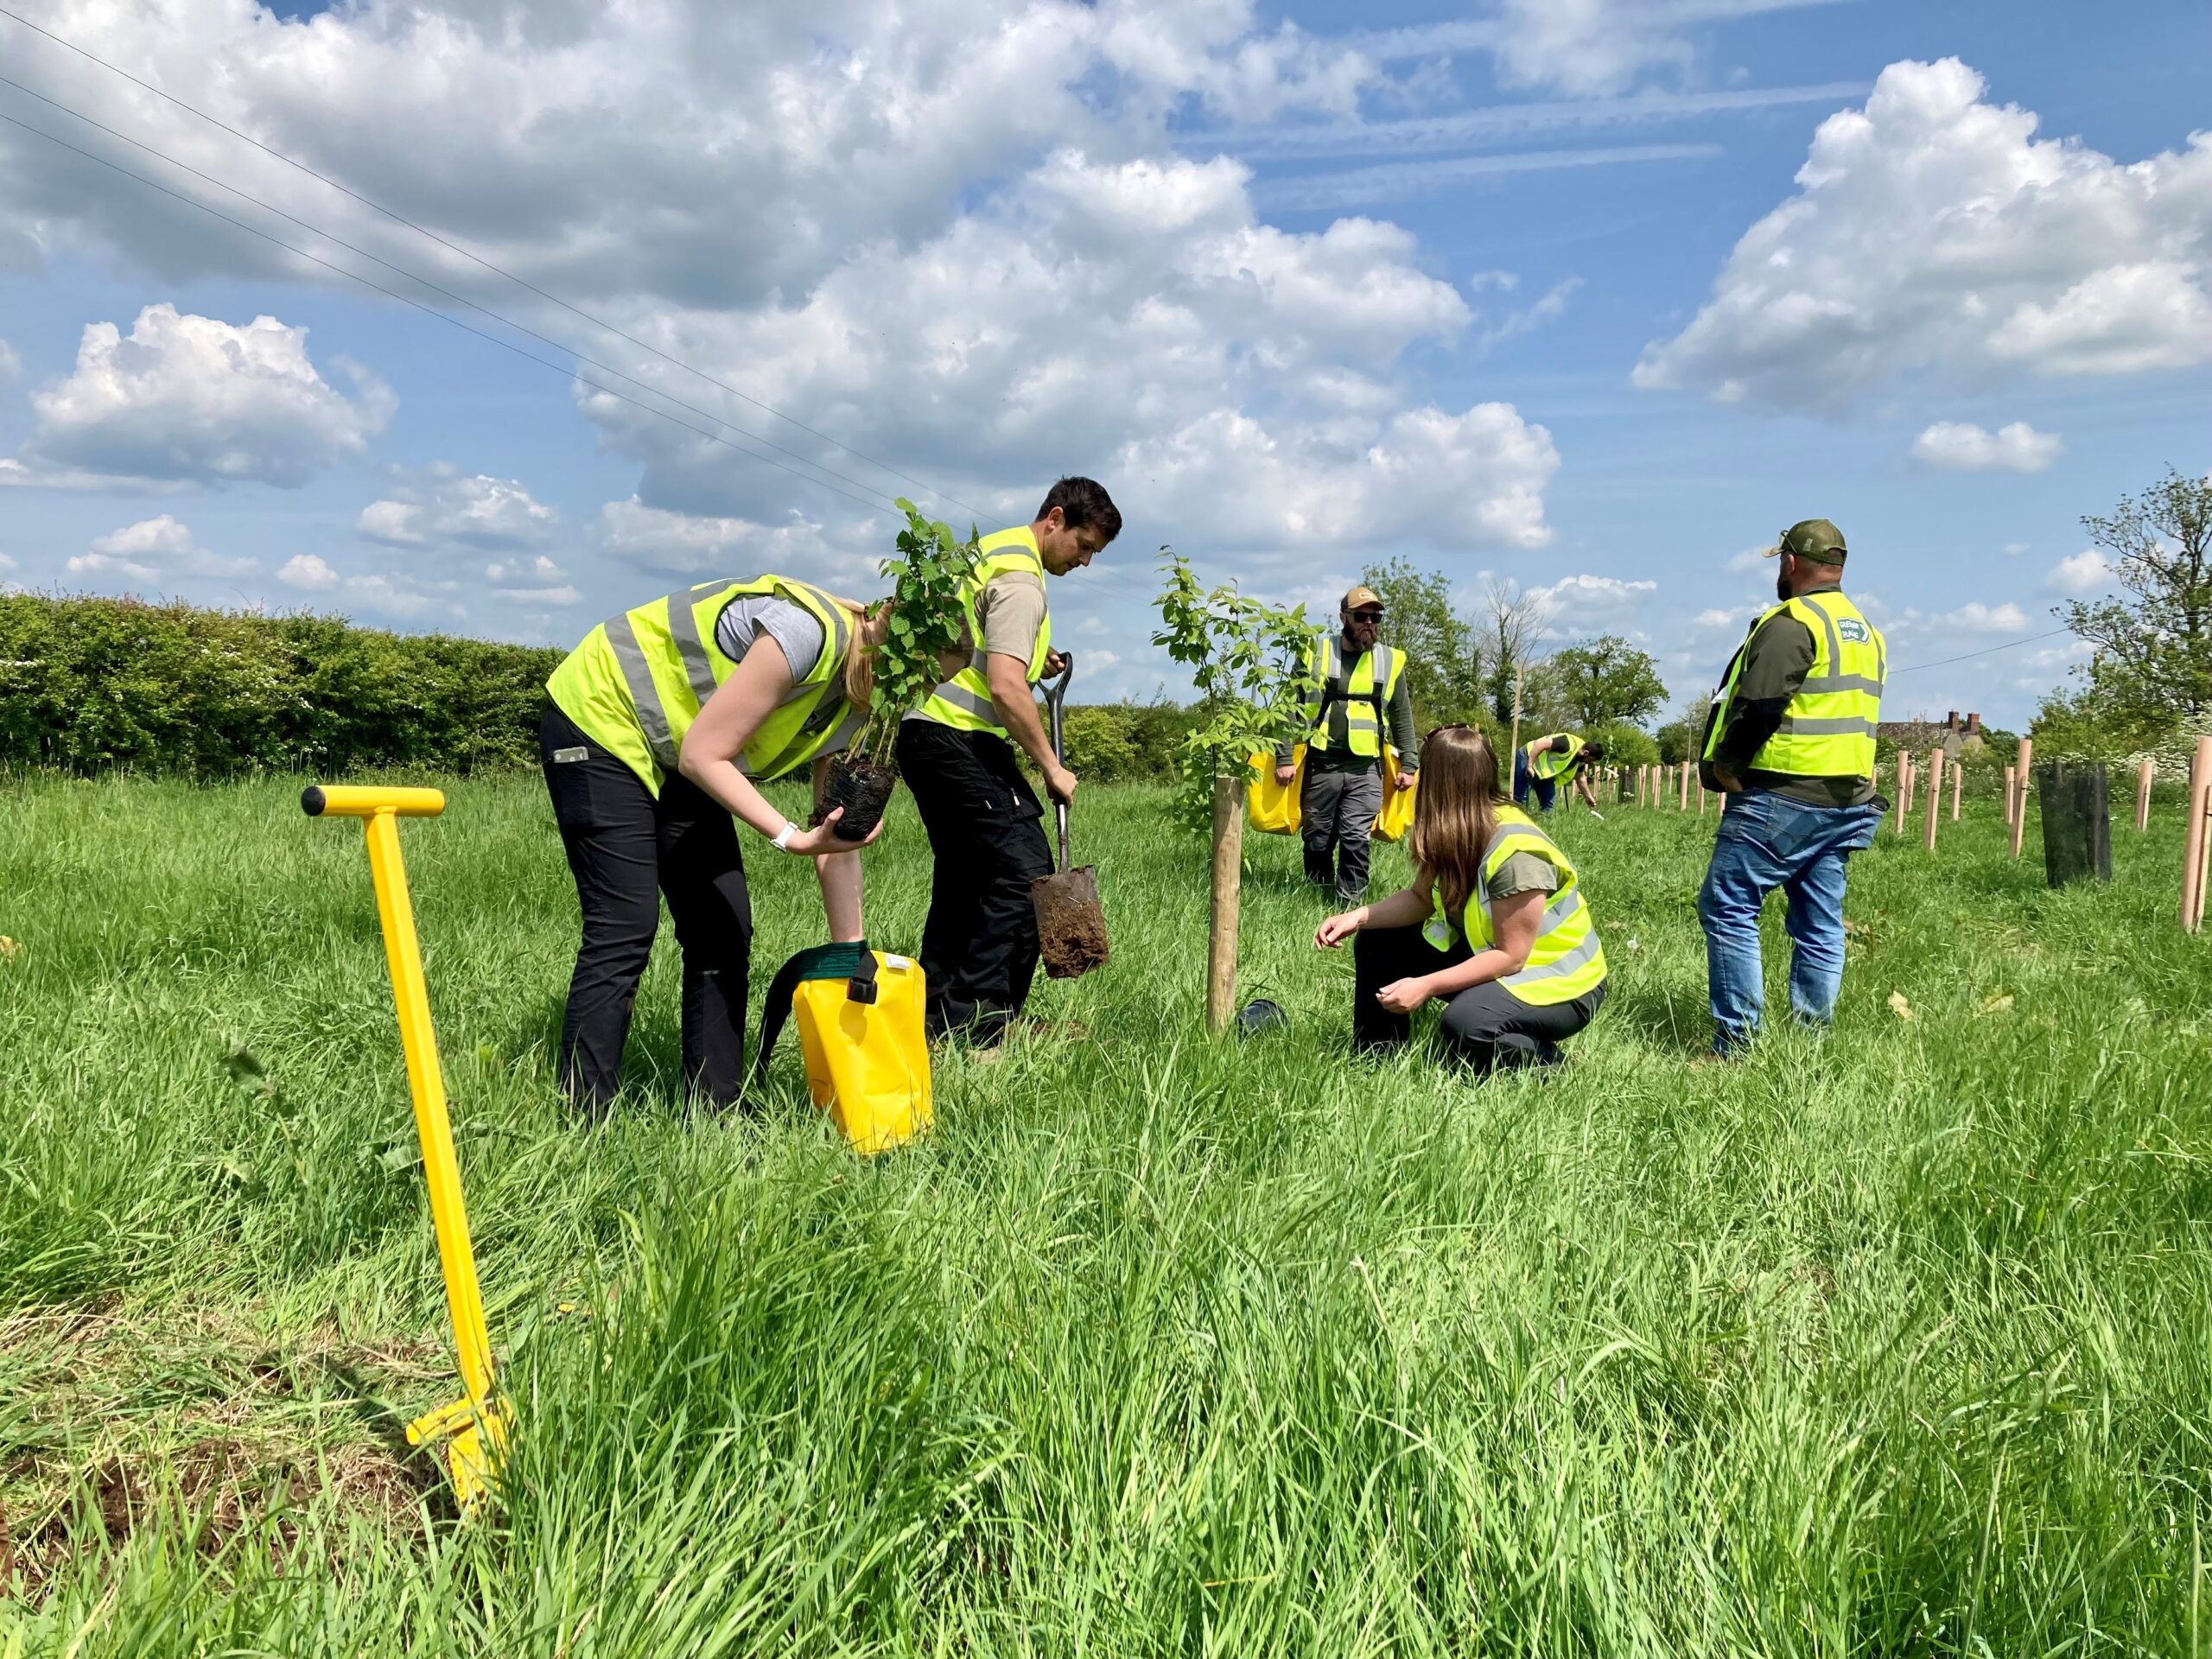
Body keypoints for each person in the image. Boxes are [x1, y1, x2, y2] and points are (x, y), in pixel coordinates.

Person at [540, 574, 896, 1114]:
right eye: (932, 675)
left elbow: (833, 837)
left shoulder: (859, 699)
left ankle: (717, 1111)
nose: (923, 692)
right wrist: (787, 837)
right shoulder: (806, 635)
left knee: (723, 929)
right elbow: (704, 756)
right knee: (626, 924)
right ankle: (585, 1116)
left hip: (680, 747)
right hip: (602, 719)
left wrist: (851, 953)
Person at [895, 476, 1122, 1043]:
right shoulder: (1023, 580)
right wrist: (1051, 765)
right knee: (1023, 875)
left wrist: (1036, 658)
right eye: (1084, 546)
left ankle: (937, 1018)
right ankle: (982, 1021)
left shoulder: (991, 552)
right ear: (1056, 519)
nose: (1086, 561)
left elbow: (984, 643)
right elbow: (1003, 686)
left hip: (924, 734)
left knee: (966, 877)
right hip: (956, 734)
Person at [1695, 518, 1887, 1057]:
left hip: (1782, 796)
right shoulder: (1866, 632)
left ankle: (1735, 1045)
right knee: (1819, 922)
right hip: (1845, 800)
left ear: (1790, 563)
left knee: (1727, 905)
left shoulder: (1792, 621)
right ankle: (1809, 1043)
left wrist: (1729, 765)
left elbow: (1760, 704)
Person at [1315, 724, 1606, 1072]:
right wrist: (1359, 917)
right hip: (1500, 957)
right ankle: (1376, 1060)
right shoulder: (1456, 827)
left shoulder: (1517, 852)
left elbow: (1512, 957)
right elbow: (1420, 899)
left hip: (1560, 983)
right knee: (1378, 939)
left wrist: (1426, 985)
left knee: (1466, 1024)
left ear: (1439, 783)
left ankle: (1550, 1066)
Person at [1274, 585, 1418, 905]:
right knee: (1317, 839)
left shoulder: (1390, 661)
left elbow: (1402, 715)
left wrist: (1410, 763)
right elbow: (1287, 707)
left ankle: (1349, 907)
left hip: (1366, 769)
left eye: (1375, 616)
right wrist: (1284, 757)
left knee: (1355, 838)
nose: (1369, 622)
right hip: (1321, 765)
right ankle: (1316, 896)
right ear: (1343, 617)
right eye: (1361, 616)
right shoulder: (1316, 653)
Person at [1513, 732, 1607, 814]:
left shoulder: (1580, 759)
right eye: (1590, 760)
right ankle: (1516, 821)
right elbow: (1540, 743)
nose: (1588, 763)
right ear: (1586, 753)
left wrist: (1588, 797)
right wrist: (1529, 765)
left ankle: (1543, 823)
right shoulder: (1567, 743)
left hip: (1545, 771)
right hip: (1527, 757)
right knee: (1520, 798)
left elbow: (1580, 777)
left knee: (1548, 804)